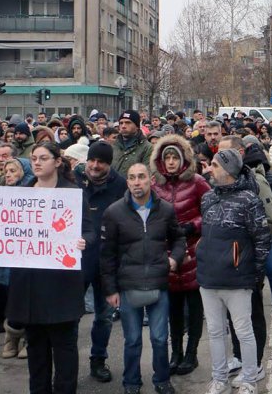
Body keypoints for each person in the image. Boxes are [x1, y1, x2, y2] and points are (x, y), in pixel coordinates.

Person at [7, 143, 92, 394]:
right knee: (36, 350)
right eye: (33, 158)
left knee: (64, 350)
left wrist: (84, 241)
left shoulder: (72, 193)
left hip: (60, 285)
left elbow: (89, 230)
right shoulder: (20, 193)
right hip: (30, 286)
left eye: (43, 158)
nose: (37, 162)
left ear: (57, 161)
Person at [100, 163, 185, 394]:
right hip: (128, 286)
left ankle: (162, 379)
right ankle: (131, 382)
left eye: (141, 177)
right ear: (127, 182)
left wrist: (175, 259)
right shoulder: (114, 212)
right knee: (133, 340)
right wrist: (110, 290)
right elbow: (106, 255)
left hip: (159, 283)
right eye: (132, 178)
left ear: (150, 180)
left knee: (159, 338)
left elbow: (178, 239)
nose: (137, 182)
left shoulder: (165, 210)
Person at [196, 149, 271, 394]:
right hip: (209, 278)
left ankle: (249, 379)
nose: (209, 169)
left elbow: (262, 239)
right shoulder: (208, 198)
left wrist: (255, 274)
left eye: (215, 165)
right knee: (216, 332)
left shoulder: (248, 199)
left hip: (238, 280)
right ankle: (219, 379)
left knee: (243, 331)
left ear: (228, 170)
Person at [150, 134, 211, 376]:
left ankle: (191, 353)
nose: (172, 162)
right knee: (173, 308)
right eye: (168, 158)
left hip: (194, 251)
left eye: (176, 157)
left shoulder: (197, 182)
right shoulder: (156, 184)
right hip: (167, 253)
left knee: (194, 307)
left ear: (183, 158)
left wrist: (192, 226)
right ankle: (175, 352)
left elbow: (211, 210)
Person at [76, 141, 128, 384]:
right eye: (92, 160)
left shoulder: (120, 186)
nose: (95, 166)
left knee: (104, 316)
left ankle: (98, 359)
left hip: (107, 262)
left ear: (109, 164)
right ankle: (68, 363)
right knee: (71, 315)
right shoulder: (74, 180)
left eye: (101, 162)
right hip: (77, 260)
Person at [113, 110, 153, 176]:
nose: (123, 126)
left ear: (137, 126)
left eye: (128, 123)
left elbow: (147, 174)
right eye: (121, 123)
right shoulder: (113, 145)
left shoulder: (147, 148)